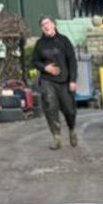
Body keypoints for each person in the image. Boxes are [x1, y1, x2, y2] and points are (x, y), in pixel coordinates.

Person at [30, 18, 78, 150]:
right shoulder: (40, 44)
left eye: (48, 24)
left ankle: (72, 129)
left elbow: (72, 61)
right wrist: (45, 68)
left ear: (54, 25)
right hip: (47, 80)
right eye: (43, 25)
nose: (46, 26)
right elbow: (34, 61)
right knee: (51, 107)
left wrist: (73, 80)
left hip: (64, 81)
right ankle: (56, 137)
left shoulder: (64, 41)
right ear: (41, 28)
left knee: (69, 110)